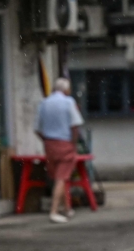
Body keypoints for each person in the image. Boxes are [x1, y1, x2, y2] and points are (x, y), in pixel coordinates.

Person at [34, 78, 84, 224]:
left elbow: (37, 128)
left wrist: (45, 140)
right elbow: (75, 125)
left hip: (49, 143)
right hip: (65, 142)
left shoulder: (44, 103)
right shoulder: (68, 102)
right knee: (61, 178)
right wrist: (73, 144)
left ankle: (67, 208)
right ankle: (54, 210)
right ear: (66, 90)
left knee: (59, 176)